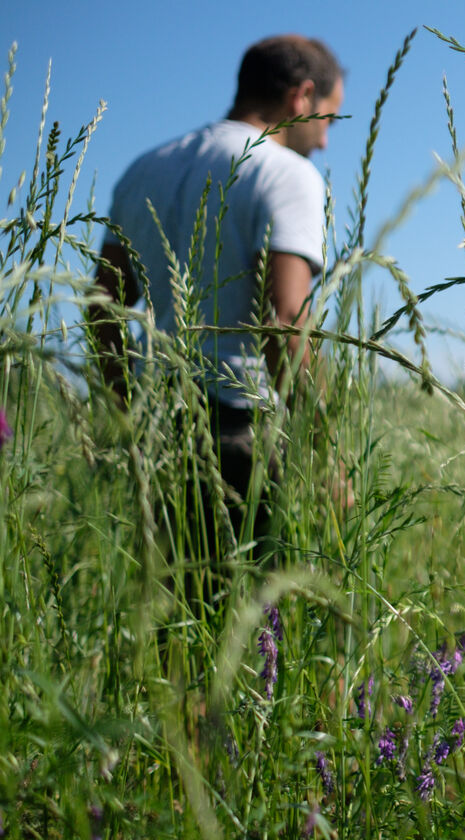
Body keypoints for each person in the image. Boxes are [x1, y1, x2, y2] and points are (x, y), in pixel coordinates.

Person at [86, 35, 346, 593]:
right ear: (302, 96)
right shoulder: (285, 173)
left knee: (171, 620)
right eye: (328, 118)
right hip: (238, 437)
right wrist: (328, 451)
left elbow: (101, 307)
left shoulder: (145, 168)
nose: (325, 140)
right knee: (250, 627)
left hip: (158, 429)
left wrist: (125, 415)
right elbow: (284, 321)